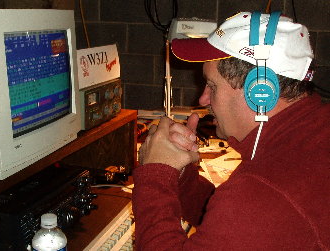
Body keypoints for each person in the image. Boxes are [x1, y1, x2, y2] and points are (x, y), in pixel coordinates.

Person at [132, 11, 330, 250]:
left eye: (211, 86)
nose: (203, 98)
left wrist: (156, 174)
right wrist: (182, 178)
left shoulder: (265, 191)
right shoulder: (311, 131)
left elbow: (250, 211)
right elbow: (235, 228)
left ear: (261, 91)